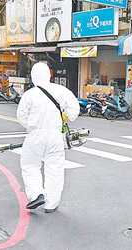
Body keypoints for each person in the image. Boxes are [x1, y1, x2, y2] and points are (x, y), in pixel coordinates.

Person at [16, 62, 79, 213]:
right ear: (49, 75)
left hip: (35, 135)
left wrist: (33, 125)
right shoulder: (61, 91)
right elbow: (74, 111)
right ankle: (51, 203)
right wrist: (63, 117)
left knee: (30, 165)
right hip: (56, 136)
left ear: (33, 76)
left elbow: (22, 118)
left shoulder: (29, 94)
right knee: (55, 168)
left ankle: (37, 194)